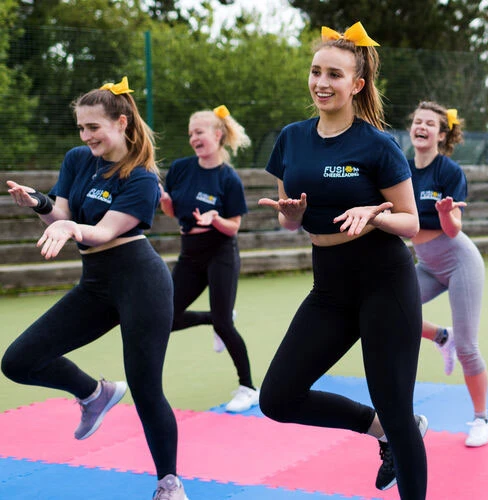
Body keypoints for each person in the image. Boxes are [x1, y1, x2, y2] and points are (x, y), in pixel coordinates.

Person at [256, 22, 427, 499]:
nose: (322, 82)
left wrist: (375, 214)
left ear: (357, 84)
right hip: (329, 289)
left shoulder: (377, 145)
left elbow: (411, 222)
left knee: (395, 406)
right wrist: (292, 217)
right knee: (277, 398)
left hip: (384, 283)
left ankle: (396, 428)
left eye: (334, 74)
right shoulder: (291, 139)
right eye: (316, 72)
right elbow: (289, 219)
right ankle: (381, 429)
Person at [2, 77, 188, 499]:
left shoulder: (142, 178)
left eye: (93, 128)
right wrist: (40, 204)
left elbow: (102, 232)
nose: (86, 137)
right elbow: (62, 213)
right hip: (96, 284)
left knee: (146, 388)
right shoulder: (77, 159)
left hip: (141, 282)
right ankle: (93, 394)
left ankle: (169, 484)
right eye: (81, 128)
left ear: (121, 123)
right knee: (18, 361)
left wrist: (69, 227)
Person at [159, 104, 259, 413]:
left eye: (199, 132)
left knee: (225, 325)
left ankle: (248, 388)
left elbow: (234, 227)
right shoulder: (180, 169)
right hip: (190, 253)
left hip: (220, 251)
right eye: (190, 134)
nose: (193, 138)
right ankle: (215, 319)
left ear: (217, 135)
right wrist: (165, 200)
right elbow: (172, 211)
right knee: (165, 318)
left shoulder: (228, 178)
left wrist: (215, 219)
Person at [407, 102, 488, 447]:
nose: (422, 126)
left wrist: (444, 213)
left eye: (430, 123)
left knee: (468, 347)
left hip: (460, 263)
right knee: (388, 311)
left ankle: (481, 419)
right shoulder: (401, 169)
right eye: (418, 121)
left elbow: (454, 229)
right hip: (427, 264)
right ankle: (442, 336)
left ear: (442, 135)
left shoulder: (449, 172)